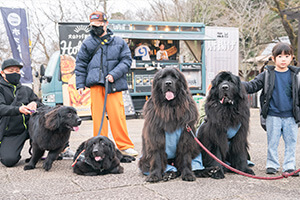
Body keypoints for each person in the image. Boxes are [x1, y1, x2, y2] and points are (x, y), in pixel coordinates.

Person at [75, 11, 138, 157]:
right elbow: (80, 64)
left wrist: (113, 74)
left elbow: (126, 61)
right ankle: (99, 146)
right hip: (96, 85)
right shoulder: (87, 43)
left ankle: (125, 146)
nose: (95, 28)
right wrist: (80, 84)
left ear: (106, 24)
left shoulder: (119, 42)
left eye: (98, 25)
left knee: (118, 116)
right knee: (98, 118)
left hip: (113, 84)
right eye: (92, 25)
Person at [242, 42, 300, 176]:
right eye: (279, 56)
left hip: (291, 115)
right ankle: (272, 164)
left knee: (291, 143)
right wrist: (236, 83)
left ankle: (289, 166)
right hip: (273, 114)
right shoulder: (267, 74)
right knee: (272, 142)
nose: (283, 59)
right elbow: (252, 86)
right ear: (273, 59)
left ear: (291, 57)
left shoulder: (296, 75)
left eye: (287, 56)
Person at [0, 58, 42, 167]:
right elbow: (1, 108)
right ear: (2, 73)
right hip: (11, 132)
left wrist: (35, 103)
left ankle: (61, 148)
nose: (15, 73)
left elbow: (40, 102)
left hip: (30, 127)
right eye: (11, 70)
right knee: (9, 160)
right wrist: (18, 109)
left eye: (17, 71)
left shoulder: (26, 90)